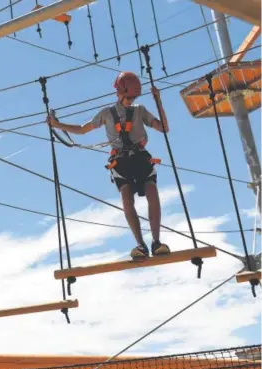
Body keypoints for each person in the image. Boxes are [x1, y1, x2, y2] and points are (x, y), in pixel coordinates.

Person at [47, 71, 171, 258]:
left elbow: (163, 128)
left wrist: (158, 101)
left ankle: (156, 242)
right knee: (127, 199)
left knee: (152, 193)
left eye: (133, 97)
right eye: (128, 97)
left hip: (140, 157)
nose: (130, 100)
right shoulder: (107, 113)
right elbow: (83, 130)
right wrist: (58, 125)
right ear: (119, 93)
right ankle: (141, 245)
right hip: (120, 161)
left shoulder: (140, 110)